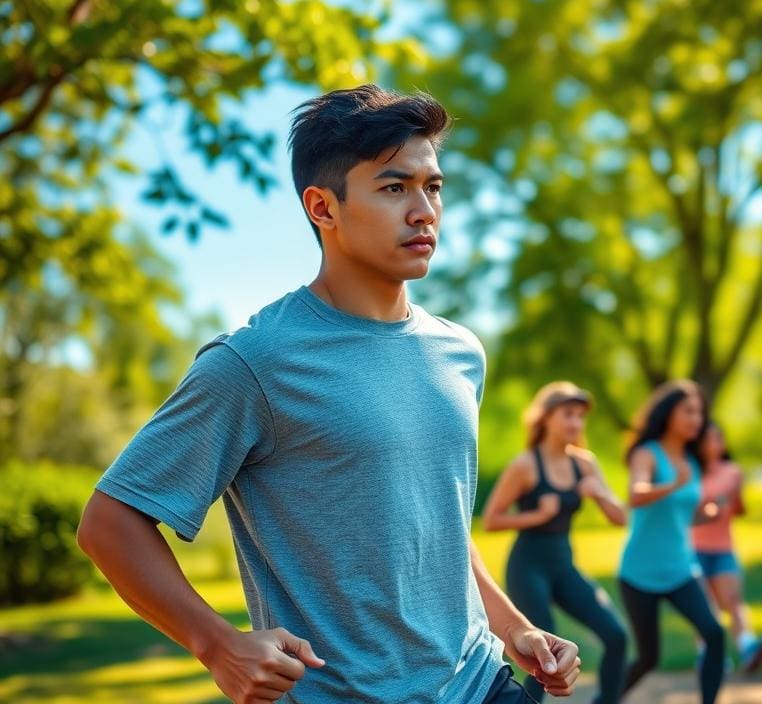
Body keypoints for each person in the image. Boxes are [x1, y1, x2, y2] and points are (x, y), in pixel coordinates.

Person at [77, 85, 581, 704]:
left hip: (483, 685)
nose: (424, 210)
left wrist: (515, 628)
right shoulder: (255, 362)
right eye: (395, 188)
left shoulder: (461, 353)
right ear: (324, 208)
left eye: (434, 186)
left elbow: (435, 522)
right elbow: (110, 522)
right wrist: (216, 643)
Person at [482, 382, 628, 704]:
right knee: (542, 654)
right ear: (545, 418)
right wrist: (536, 516)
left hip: (563, 566)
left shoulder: (584, 463)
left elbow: (621, 518)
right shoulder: (525, 465)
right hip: (528, 566)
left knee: (616, 636)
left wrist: (600, 493)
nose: (575, 423)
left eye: (580, 416)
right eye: (568, 414)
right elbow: (491, 520)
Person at [618, 380, 725, 704]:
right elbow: (636, 496)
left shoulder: (693, 462)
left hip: (681, 569)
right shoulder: (646, 454)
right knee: (649, 658)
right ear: (668, 413)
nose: (696, 419)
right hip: (639, 572)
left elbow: (680, 516)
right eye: (688, 411)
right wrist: (673, 484)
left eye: (700, 413)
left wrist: (708, 513)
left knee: (714, 633)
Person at [691, 421, 762, 673]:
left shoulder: (733, 472)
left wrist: (733, 498)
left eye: (717, 438)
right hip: (694, 548)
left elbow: (739, 509)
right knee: (705, 607)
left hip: (723, 547)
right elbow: (686, 512)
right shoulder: (689, 471)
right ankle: (709, 655)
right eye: (707, 439)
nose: (712, 444)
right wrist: (709, 507)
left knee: (733, 600)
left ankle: (748, 648)